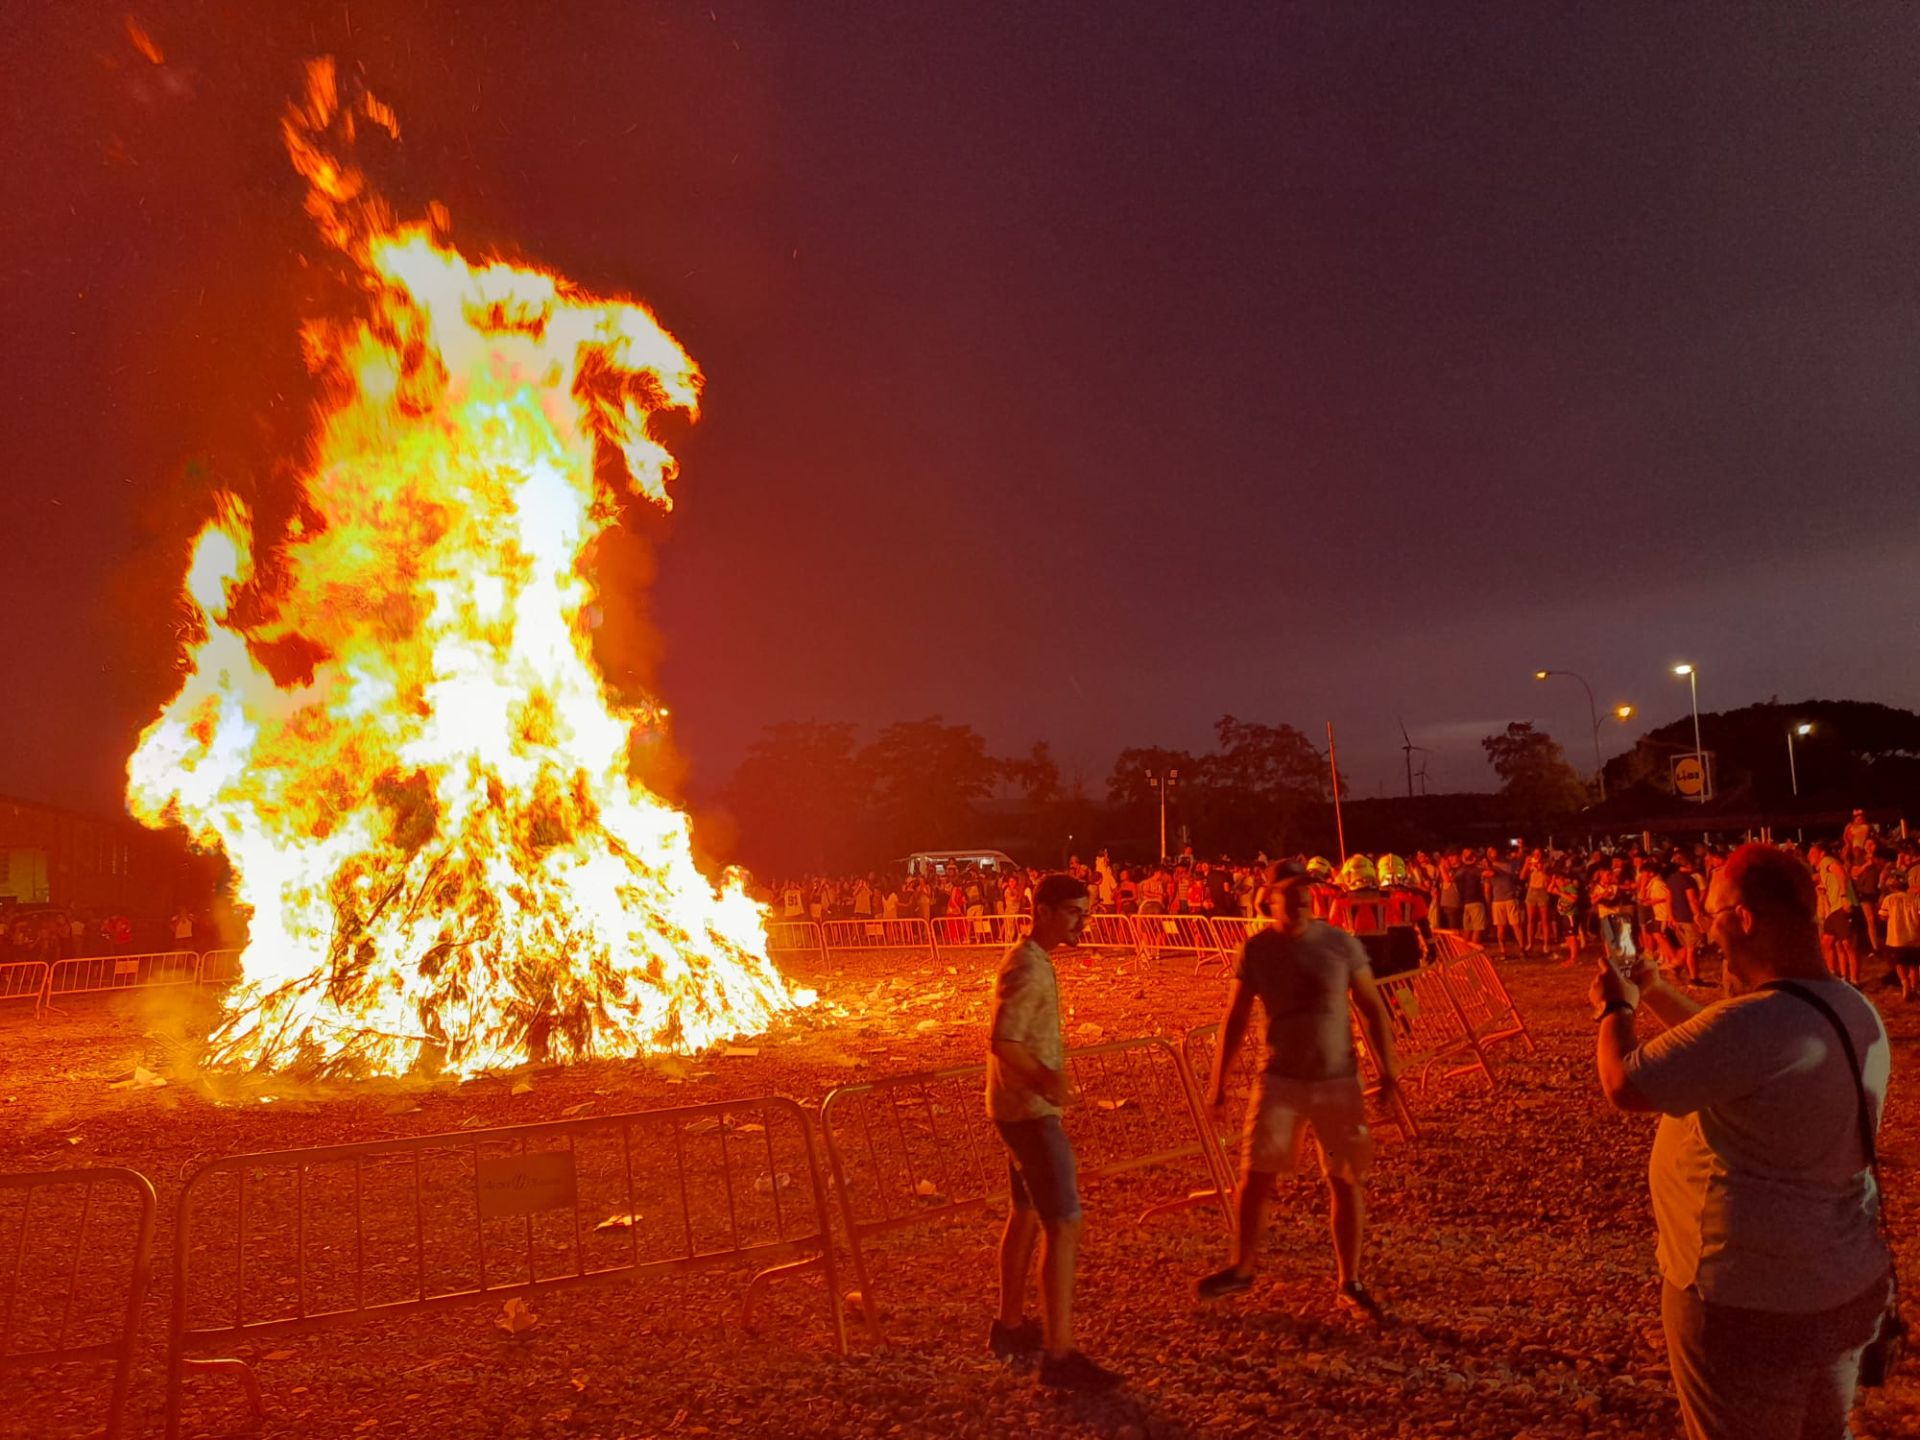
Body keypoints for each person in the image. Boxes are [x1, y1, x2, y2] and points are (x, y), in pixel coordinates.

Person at [1590, 843, 1892, 1440]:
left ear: (1745, 918)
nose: (1708, 932)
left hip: (1747, 1295)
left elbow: (1624, 1083)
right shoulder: (1846, 1006)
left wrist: (1615, 1006)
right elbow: (1720, 1049)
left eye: (1712, 915)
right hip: (1838, 1278)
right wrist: (1653, 989)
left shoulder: (1756, 1022)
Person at [1196, 861, 1400, 1320]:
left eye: (1305, 892)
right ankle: (1242, 1267)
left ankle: (1349, 1280)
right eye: (1289, 893)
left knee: (1344, 1179)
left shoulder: (1340, 944)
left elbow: (1372, 1007)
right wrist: (1218, 1083)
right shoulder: (1257, 950)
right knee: (1255, 1177)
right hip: (1279, 1080)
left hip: (1337, 1082)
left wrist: (1388, 1071)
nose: (1300, 900)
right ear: (1269, 900)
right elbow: (1235, 1018)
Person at [983, 873, 1121, 1391]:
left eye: (1086, 912)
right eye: (1073, 912)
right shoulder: (1026, 965)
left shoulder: (1034, 960)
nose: (1083, 922)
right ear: (1042, 911)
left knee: (1024, 1214)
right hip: (1030, 1114)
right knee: (1063, 1224)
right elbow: (1003, 1040)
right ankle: (1059, 1355)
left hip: (1017, 1108)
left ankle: (1010, 1325)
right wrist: (1047, 1078)